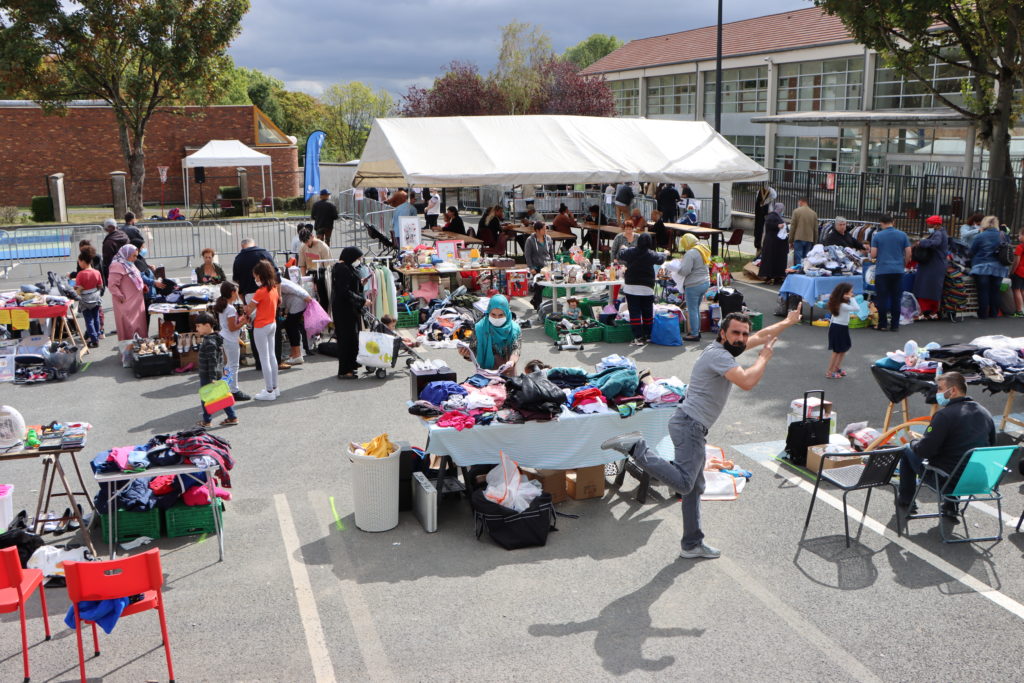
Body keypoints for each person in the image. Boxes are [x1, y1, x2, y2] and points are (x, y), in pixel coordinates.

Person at [602, 307, 802, 559]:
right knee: (685, 485)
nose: (741, 338)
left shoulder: (726, 349)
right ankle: (636, 448)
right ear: (722, 333)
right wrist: (764, 357)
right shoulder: (719, 356)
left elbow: (762, 335)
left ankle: (691, 544)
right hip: (690, 426)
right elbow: (747, 382)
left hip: (690, 424)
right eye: (736, 333)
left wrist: (787, 321)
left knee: (695, 487)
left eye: (744, 334)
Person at [896, 371, 995, 521]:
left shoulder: (944, 416)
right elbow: (990, 446)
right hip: (978, 479)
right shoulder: (985, 413)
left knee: (907, 450)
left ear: (953, 390)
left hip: (947, 480)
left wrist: (914, 442)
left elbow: (924, 451)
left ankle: (906, 500)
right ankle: (950, 506)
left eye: (940, 389)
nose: (937, 393)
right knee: (958, 458)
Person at [618, 232, 666, 346]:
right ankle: (648, 335)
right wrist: (665, 253)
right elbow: (661, 259)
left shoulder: (631, 251)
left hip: (631, 287)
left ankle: (638, 337)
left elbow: (621, 254)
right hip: (647, 288)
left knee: (634, 312)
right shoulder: (651, 254)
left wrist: (623, 247)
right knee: (647, 312)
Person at [457, 294, 521, 377]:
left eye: (501, 315)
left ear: (507, 313)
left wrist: (512, 361)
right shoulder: (480, 328)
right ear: (488, 312)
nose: (497, 318)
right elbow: (474, 353)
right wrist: (466, 355)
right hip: (485, 373)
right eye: (493, 315)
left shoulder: (515, 329)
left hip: (508, 372)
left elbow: (516, 349)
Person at [244, 260, 281, 400]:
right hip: (272, 324)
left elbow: (249, 309)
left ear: (260, 275)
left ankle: (269, 390)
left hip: (261, 326)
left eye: (256, 277)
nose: (255, 279)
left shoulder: (260, 292)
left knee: (264, 358)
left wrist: (245, 308)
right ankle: (275, 387)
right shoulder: (274, 289)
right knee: (272, 356)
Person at [194, 312, 239, 428]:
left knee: (206, 398)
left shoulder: (209, 342)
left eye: (199, 326)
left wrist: (213, 377)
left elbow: (213, 360)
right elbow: (218, 358)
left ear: (208, 325)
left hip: (209, 375)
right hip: (216, 373)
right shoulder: (215, 339)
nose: (197, 328)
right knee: (221, 396)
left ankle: (207, 420)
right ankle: (232, 417)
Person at [665, 233, 711, 342]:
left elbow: (685, 271)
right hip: (705, 282)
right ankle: (696, 331)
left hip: (693, 284)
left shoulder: (690, 253)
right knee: (696, 308)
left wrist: (674, 269)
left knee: (692, 309)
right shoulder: (702, 248)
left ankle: (694, 333)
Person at [870, 214, 911, 332]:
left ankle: (882, 324)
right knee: (896, 298)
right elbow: (908, 252)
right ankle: (895, 325)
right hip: (898, 270)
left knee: (882, 298)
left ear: (881, 223)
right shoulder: (902, 235)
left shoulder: (877, 236)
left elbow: (873, 254)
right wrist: (904, 263)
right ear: (893, 221)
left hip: (882, 271)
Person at [331, 247, 366, 379]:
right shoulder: (343, 269)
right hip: (344, 310)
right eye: (357, 258)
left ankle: (350, 366)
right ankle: (345, 370)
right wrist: (362, 301)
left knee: (351, 338)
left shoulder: (344, 267)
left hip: (347, 308)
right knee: (346, 339)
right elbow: (344, 292)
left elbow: (349, 286)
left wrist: (360, 284)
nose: (358, 261)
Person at [213, 281, 250, 401]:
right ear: (232, 293)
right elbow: (232, 327)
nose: (237, 295)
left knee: (229, 365)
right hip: (230, 339)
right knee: (234, 365)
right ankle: (234, 390)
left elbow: (230, 324)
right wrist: (244, 321)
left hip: (226, 337)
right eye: (237, 293)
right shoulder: (229, 308)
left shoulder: (224, 306)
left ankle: (224, 387)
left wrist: (240, 319)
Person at [969, 215, 1009, 319]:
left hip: (982, 266)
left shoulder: (980, 236)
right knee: (995, 290)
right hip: (999, 267)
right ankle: (994, 314)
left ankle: (983, 314)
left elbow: (972, 251)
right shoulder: (1003, 235)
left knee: (983, 290)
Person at [107, 244, 147, 341]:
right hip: (125, 303)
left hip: (136, 303)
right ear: (126, 254)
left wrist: (143, 286)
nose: (135, 258)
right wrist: (120, 295)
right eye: (133, 255)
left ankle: (141, 350)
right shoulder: (117, 265)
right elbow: (112, 285)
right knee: (128, 328)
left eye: (136, 255)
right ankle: (128, 352)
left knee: (139, 327)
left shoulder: (129, 263)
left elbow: (136, 278)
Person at [913, 215, 950, 319]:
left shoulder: (938, 233)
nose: (927, 225)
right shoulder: (941, 232)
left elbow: (936, 243)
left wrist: (922, 242)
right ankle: (932, 311)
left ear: (934, 224)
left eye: (928, 223)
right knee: (933, 288)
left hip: (933, 265)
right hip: (936, 264)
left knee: (925, 287)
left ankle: (924, 311)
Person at [825, 282, 857, 379]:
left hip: (841, 327)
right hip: (838, 328)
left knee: (843, 349)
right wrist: (852, 299)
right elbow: (856, 308)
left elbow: (834, 318)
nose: (852, 294)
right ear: (844, 294)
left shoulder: (839, 304)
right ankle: (830, 371)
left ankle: (836, 367)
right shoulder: (842, 305)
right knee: (837, 350)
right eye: (850, 292)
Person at [73, 249, 103, 348]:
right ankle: (97, 336)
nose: (78, 263)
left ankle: (94, 339)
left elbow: (78, 289)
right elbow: (100, 285)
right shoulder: (96, 272)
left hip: (85, 300)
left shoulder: (80, 274)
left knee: (88, 320)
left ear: (83, 261)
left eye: (79, 261)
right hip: (95, 297)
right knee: (96, 318)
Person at [279, 276, 313, 365]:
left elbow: (293, 288)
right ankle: (295, 354)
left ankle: (297, 355)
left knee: (291, 326)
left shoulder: (279, 282)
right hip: (296, 303)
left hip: (298, 303)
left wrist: (306, 296)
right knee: (290, 326)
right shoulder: (278, 280)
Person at [525, 222, 554, 310]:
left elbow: (551, 252)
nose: (546, 230)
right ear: (537, 230)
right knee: (539, 285)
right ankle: (538, 304)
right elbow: (527, 255)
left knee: (542, 285)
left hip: (547, 266)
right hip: (536, 266)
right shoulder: (530, 240)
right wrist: (531, 267)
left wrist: (553, 263)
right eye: (544, 229)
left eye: (546, 229)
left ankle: (535, 300)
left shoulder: (548, 238)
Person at [758, 202, 789, 284]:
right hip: (772, 243)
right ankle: (770, 276)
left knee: (775, 260)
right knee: (771, 260)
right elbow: (769, 225)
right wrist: (777, 226)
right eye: (782, 209)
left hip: (776, 244)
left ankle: (776, 276)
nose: (782, 211)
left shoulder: (776, 216)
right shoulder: (772, 216)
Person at [789, 197, 819, 267]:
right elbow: (815, 229)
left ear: (801, 202)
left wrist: (790, 240)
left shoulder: (796, 211)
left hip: (798, 238)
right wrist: (815, 242)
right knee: (806, 258)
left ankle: (799, 272)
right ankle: (804, 272)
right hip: (809, 239)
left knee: (798, 258)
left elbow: (793, 227)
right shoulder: (813, 213)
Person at [101, 217, 129, 285]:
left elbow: (107, 260)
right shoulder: (124, 235)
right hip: (127, 267)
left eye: (106, 228)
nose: (105, 230)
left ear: (112, 227)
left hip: (115, 270)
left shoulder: (109, 242)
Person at [754, 184, 777, 254]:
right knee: (760, 232)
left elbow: (773, 197)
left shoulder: (771, 192)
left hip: (767, 214)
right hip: (761, 216)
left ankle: (762, 250)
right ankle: (759, 250)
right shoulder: (759, 192)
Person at [1010, 228, 1024, 317]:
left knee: (1017, 290)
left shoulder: (1020, 247)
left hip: (1019, 271)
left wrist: (1012, 271)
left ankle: (1019, 311)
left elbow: (1016, 262)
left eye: (1020, 235)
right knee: (1023, 290)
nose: (1018, 237)